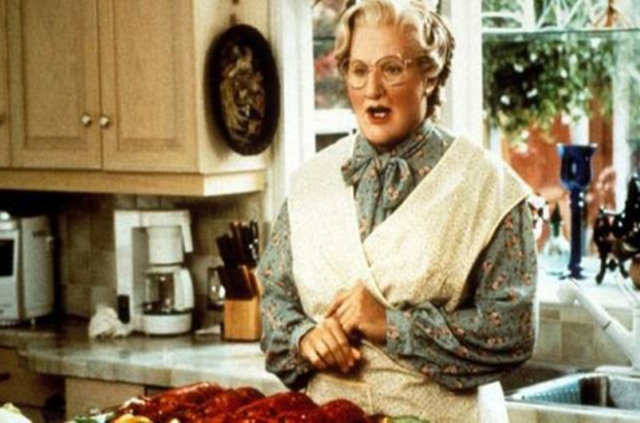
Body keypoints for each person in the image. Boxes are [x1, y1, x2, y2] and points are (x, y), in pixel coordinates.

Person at [258, 0, 537, 421]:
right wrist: (304, 338)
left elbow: (512, 330)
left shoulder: (488, 186)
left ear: (430, 75)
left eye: (392, 69)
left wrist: (391, 325)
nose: (373, 89)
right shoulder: (309, 183)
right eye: (358, 70)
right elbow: (274, 304)